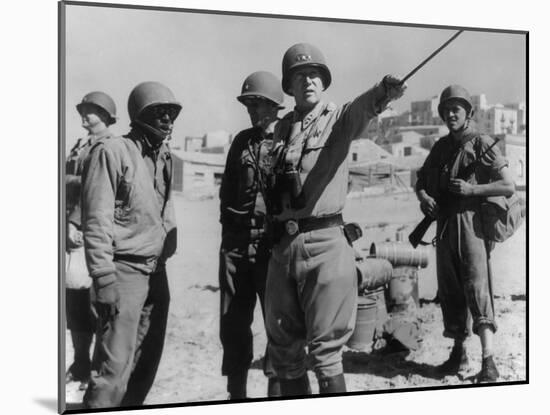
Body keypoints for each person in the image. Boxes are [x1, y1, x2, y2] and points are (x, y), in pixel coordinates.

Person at [263, 42, 406, 395]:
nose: (307, 81)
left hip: (326, 246)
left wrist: (383, 92)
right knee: (284, 352)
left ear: (323, 82)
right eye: (299, 76)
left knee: (326, 353)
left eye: (314, 74)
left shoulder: (337, 121)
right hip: (284, 248)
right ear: (290, 86)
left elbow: (364, 108)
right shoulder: (281, 132)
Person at [81, 81, 180, 408]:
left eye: (170, 114)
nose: (166, 120)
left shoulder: (164, 156)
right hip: (123, 274)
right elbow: (96, 218)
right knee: (111, 368)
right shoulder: (112, 151)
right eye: (158, 113)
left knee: (145, 365)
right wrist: (103, 276)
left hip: (156, 273)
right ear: (139, 115)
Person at [415, 85, 515, 383]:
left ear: (468, 112)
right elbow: (420, 180)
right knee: (450, 290)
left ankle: (488, 360)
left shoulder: (481, 144)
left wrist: (473, 190)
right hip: (445, 226)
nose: (450, 114)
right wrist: (424, 198)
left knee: (477, 287)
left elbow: (508, 186)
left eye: (456, 109)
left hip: (472, 225)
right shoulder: (441, 148)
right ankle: (458, 354)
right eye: (446, 110)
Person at [218, 71, 284, 399]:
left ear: (274, 105)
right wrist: (229, 237)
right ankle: (236, 396)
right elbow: (227, 191)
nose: (252, 111)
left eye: (258, 105)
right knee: (232, 325)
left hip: (273, 247)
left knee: (278, 325)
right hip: (236, 245)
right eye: (248, 106)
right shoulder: (241, 142)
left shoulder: (289, 138)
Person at [65, 91, 117, 390]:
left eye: (92, 110)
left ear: (106, 115)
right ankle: (81, 362)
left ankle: (97, 366)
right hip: (71, 233)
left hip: (90, 232)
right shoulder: (80, 145)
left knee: (94, 304)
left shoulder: (106, 146)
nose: (85, 114)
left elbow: (94, 190)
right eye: (83, 109)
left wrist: (75, 222)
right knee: (74, 303)